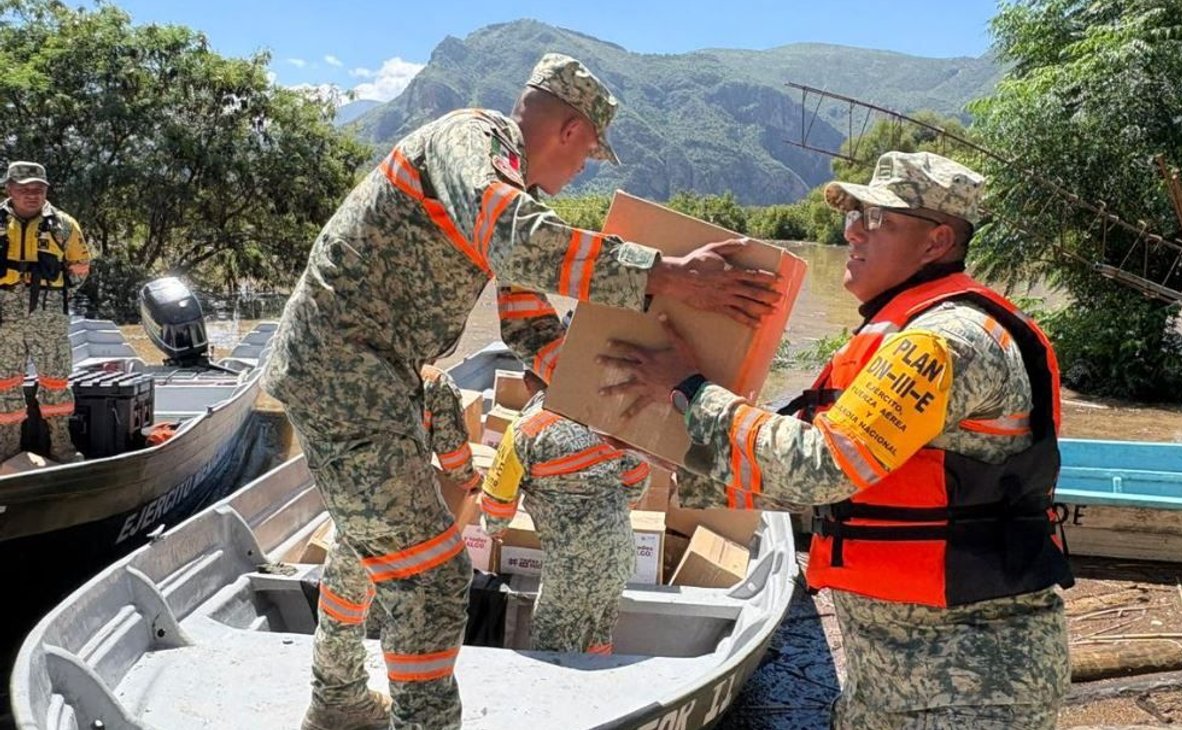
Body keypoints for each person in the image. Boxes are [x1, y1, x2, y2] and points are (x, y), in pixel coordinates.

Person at [267, 52, 780, 730]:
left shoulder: (513, 196)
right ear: (571, 130)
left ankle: (336, 698)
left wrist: (631, 395)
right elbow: (513, 240)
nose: (582, 171)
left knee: (371, 546)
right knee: (432, 577)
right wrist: (666, 275)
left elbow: (529, 326)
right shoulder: (470, 140)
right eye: (589, 155)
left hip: (373, 375)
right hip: (344, 371)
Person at [596, 151, 1075, 729]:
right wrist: (663, 446)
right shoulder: (900, 335)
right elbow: (824, 488)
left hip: (972, 688)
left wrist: (692, 391)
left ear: (937, 241)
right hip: (892, 683)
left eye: (878, 219)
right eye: (854, 216)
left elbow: (820, 468)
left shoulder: (945, 342)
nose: (852, 232)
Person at [480, 370, 648, 654]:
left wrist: (494, 530)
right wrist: (608, 517)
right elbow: (638, 478)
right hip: (619, 554)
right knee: (597, 635)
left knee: (553, 647)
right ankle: (599, 678)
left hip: (571, 569)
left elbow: (497, 505)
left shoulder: (525, 431)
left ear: (528, 383)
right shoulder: (606, 413)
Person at [0, 161, 92, 462]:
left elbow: (80, 267)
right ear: (9, 189)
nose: (32, 195)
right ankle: (7, 452)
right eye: (24, 189)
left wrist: (55, 297)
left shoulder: (63, 225)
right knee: (4, 385)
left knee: (56, 383)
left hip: (49, 319)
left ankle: (62, 448)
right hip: (5, 320)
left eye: (38, 189)